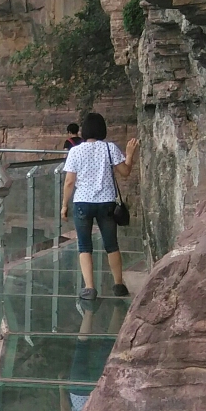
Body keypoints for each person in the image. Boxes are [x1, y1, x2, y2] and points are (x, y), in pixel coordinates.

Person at [59, 111, 138, 303]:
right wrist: (129, 155)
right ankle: (118, 284)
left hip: (82, 203)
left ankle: (89, 288)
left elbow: (69, 182)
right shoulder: (110, 148)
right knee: (111, 244)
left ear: (84, 130)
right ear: (103, 129)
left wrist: (64, 206)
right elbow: (125, 172)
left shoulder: (75, 151)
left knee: (84, 246)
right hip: (106, 203)